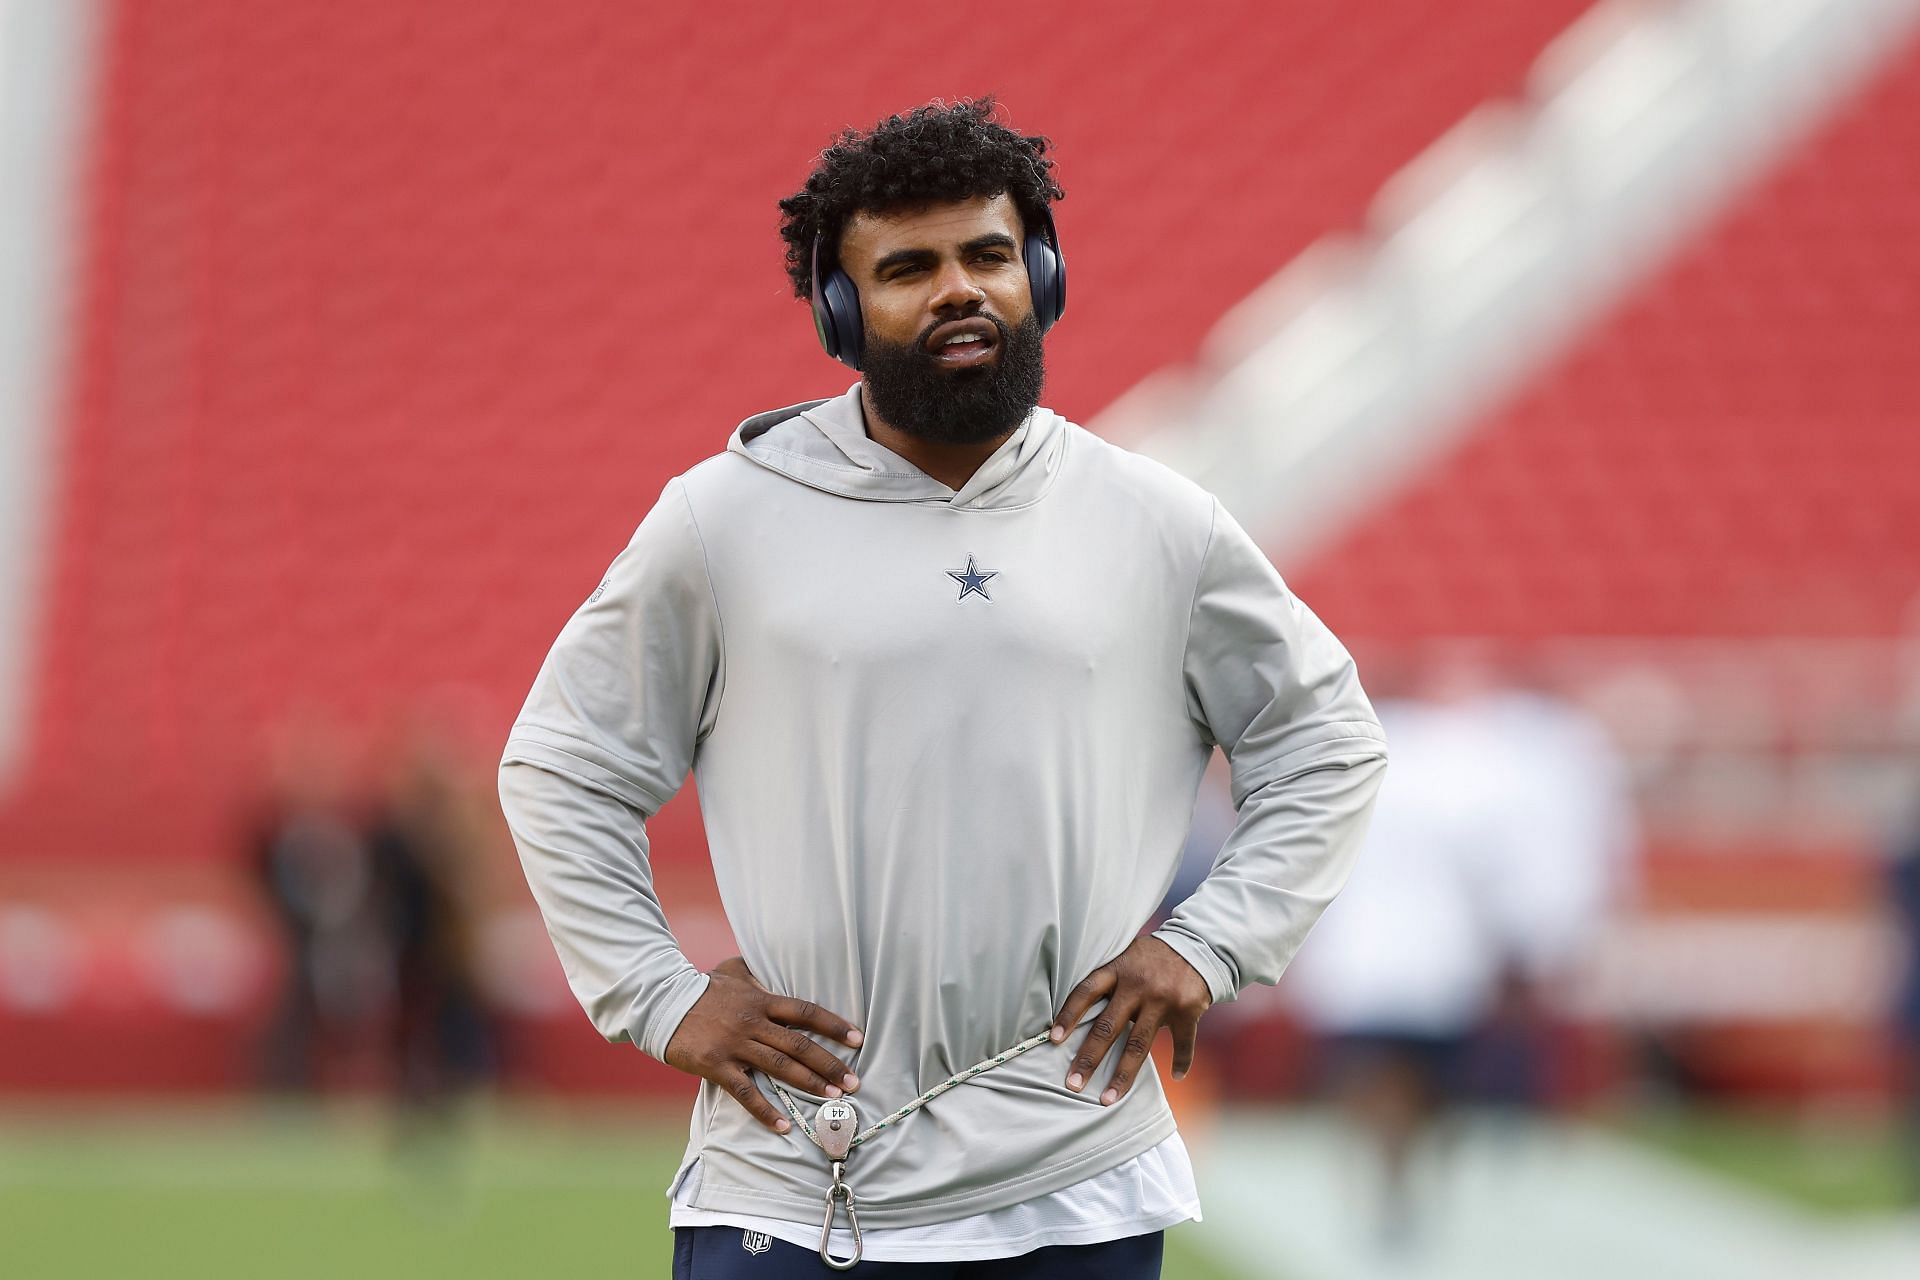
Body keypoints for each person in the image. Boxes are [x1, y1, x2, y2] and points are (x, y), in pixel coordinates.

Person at [497, 99, 1388, 1278]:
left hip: (1075, 1182)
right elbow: (563, 766)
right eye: (908, 268)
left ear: (1043, 275)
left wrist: (1214, 942)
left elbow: (1328, 742)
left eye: (987, 255)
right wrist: (656, 995)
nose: (959, 288)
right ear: (840, 308)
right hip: (795, 1175)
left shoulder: (1160, 522)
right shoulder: (721, 520)